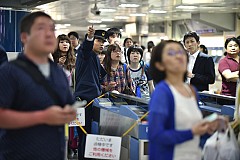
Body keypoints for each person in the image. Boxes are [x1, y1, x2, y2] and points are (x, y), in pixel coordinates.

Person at [0, 11, 76, 160]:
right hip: (18, 154)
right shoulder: (9, 72)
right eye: (41, 29)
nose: (49, 34)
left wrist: (69, 113)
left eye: (52, 29)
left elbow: (67, 105)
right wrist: (42, 116)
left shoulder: (59, 72)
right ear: (24, 37)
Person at [148, 40, 213, 160]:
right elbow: (156, 135)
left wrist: (210, 128)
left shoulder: (191, 90)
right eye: (171, 53)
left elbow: (196, 130)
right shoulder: (162, 92)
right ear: (160, 65)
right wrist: (191, 132)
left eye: (181, 52)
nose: (178, 56)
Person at [74, 27, 107, 160]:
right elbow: (86, 47)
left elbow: (98, 78)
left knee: (91, 132)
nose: (101, 44)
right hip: (84, 101)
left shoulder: (95, 57)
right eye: (98, 40)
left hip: (94, 100)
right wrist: (89, 37)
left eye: (103, 42)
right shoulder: (85, 54)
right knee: (85, 133)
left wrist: (106, 87)